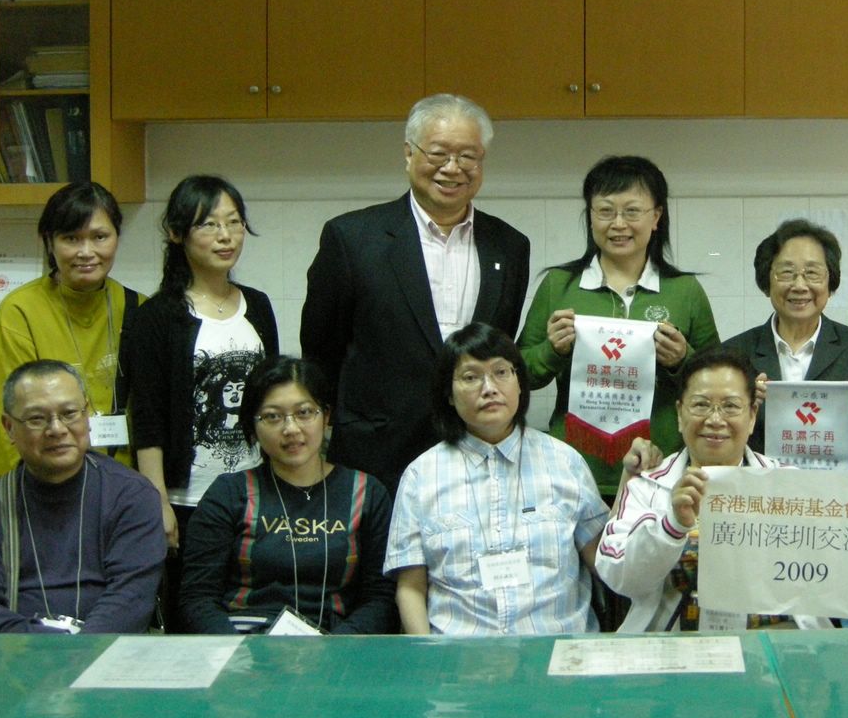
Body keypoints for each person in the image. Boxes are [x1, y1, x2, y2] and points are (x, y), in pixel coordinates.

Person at [302, 94, 530, 495]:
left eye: (468, 156)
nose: (453, 168)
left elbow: (498, 346)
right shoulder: (352, 238)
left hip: (475, 450)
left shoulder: (509, 246)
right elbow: (321, 348)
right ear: (409, 153)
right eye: (438, 153)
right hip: (376, 454)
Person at [385, 323, 608, 637]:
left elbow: (607, 562)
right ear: (448, 395)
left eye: (501, 372)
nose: (489, 388)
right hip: (458, 657)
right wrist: (427, 657)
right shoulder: (421, 476)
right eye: (471, 377)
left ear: (519, 383)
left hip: (558, 652)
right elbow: (410, 588)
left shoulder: (565, 462)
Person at [518, 155, 718, 495]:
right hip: (573, 469)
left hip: (661, 469)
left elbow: (717, 381)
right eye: (605, 211)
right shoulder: (558, 285)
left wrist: (682, 360)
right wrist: (552, 351)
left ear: (656, 217)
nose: (618, 224)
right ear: (590, 216)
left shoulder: (685, 291)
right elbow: (519, 374)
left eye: (632, 211)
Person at [595, 347, 832, 632]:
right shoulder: (647, 486)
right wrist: (671, 526)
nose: (715, 420)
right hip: (673, 647)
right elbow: (617, 574)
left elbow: (834, 571)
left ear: (752, 415)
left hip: (777, 643)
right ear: (680, 414)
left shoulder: (792, 485)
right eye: (701, 405)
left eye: (731, 406)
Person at [179, 357, 396, 634]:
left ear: (326, 416)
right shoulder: (229, 493)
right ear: (252, 427)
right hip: (246, 641)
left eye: (304, 412)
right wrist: (240, 651)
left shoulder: (366, 493)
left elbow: (381, 598)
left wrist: (335, 649)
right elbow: (197, 598)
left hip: (336, 643)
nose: (291, 428)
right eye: (273, 416)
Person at [0, 360, 165, 633]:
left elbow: (131, 601)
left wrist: (79, 650)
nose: (57, 429)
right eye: (37, 419)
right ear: (9, 427)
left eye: (69, 413)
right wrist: (47, 650)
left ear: (87, 415)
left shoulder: (131, 496)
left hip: (108, 652)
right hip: (16, 654)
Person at [123, 175, 278, 553]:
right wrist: (158, 502)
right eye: (209, 224)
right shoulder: (157, 316)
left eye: (234, 222)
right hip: (187, 499)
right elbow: (147, 417)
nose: (226, 236)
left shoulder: (258, 305)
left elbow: (272, 400)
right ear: (177, 234)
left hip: (255, 493)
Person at [0, 182, 141, 477]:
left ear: (116, 238)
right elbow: (15, 417)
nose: (86, 252)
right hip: (39, 476)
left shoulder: (138, 308)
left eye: (99, 237)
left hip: (119, 481)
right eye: (71, 238)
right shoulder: (20, 311)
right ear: (50, 242)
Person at [721, 219, 848, 469]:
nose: (799, 285)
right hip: (759, 490)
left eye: (812, 273)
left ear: (830, 282)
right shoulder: (733, 354)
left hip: (839, 490)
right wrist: (739, 407)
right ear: (767, 281)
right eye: (787, 272)